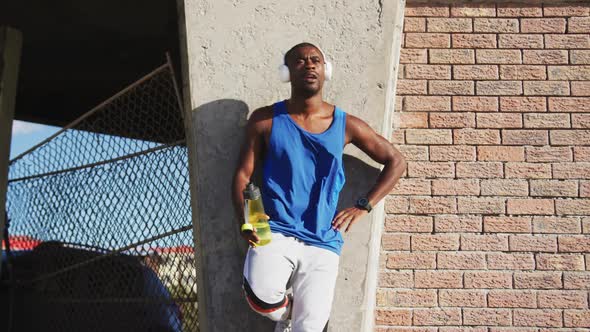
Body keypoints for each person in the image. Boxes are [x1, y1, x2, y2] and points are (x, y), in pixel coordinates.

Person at [232, 42, 406, 332]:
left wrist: (363, 206)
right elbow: (242, 176)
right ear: (286, 72)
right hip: (275, 230)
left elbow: (396, 161)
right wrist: (247, 220)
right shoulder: (265, 120)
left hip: (323, 238)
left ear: (326, 70)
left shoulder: (346, 124)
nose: (309, 65)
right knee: (260, 298)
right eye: (300, 61)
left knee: (309, 328)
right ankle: (290, 315)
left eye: (316, 60)